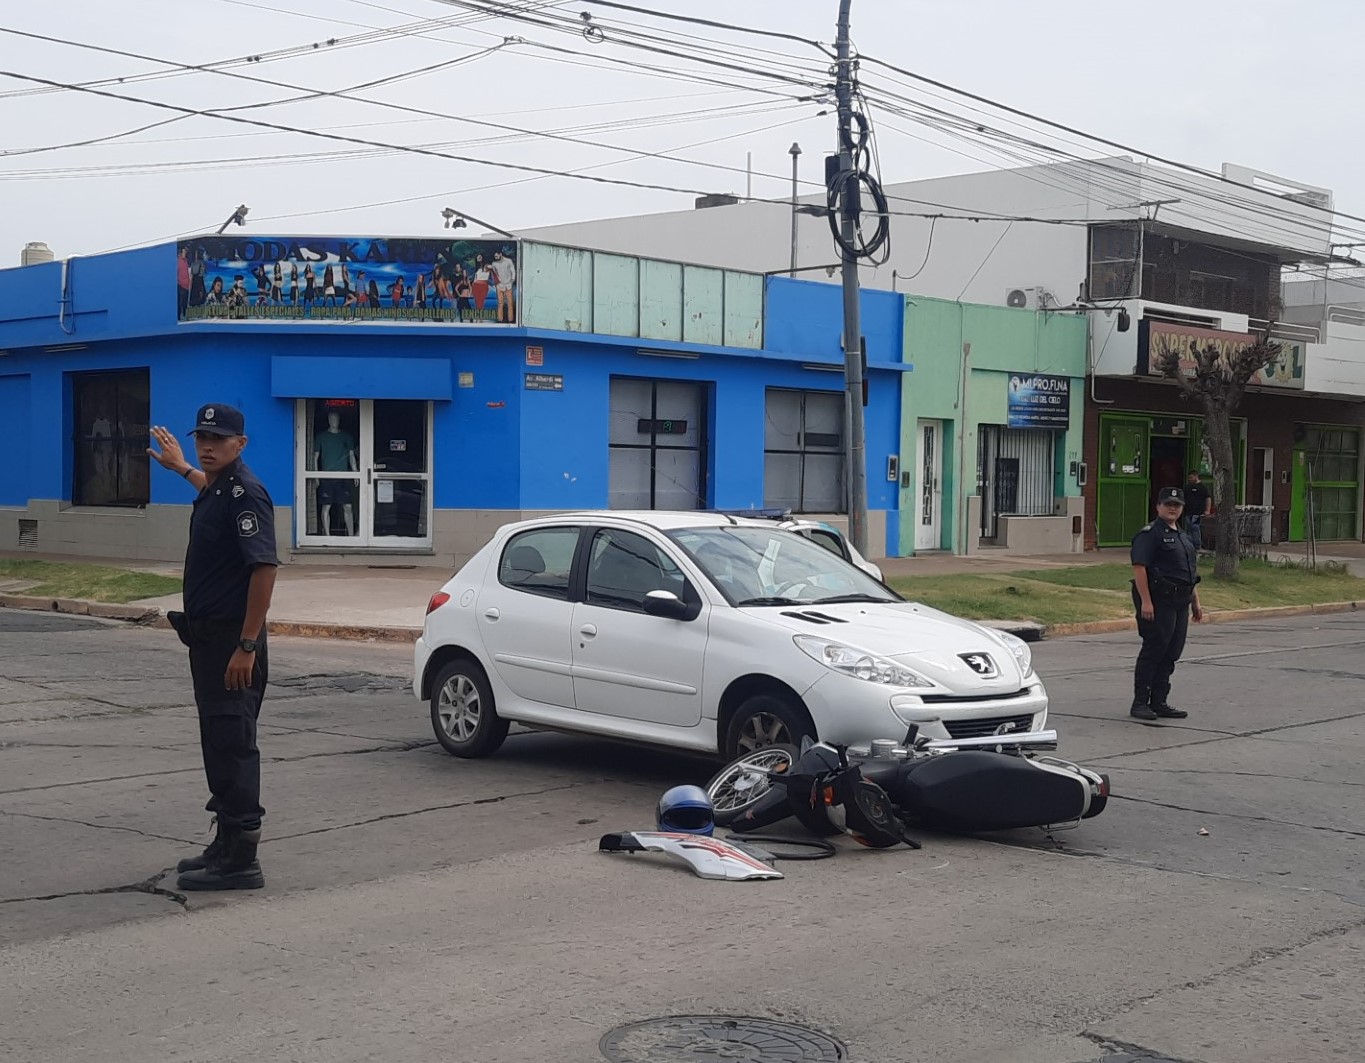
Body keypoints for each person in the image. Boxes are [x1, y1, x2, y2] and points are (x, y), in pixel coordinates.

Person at [146, 405, 278, 890]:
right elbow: (211, 491)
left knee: (233, 742)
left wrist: (246, 644)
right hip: (209, 641)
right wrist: (180, 467)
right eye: (202, 435)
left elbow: (264, 569)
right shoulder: (221, 487)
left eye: (218, 438)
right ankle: (224, 844)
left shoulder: (247, 493)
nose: (208, 444)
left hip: (231, 642)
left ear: (239, 444)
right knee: (217, 743)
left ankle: (242, 859)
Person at [1129, 486, 1204, 723]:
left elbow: (1189, 572)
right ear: (1158, 506)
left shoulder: (1183, 536)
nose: (1173, 508)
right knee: (1155, 649)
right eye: (1168, 504)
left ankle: (1159, 701)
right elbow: (1140, 568)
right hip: (1159, 601)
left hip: (1180, 601)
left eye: (1177, 505)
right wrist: (1146, 602)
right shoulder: (1150, 534)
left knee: (1172, 651)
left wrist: (1196, 601)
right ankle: (1140, 702)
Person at [313, 409, 357, 535]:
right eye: (332, 418)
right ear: (328, 420)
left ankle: (351, 535)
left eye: (336, 418)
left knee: (347, 506)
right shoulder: (321, 437)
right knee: (326, 506)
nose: (334, 421)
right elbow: (315, 457)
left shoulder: (346, 437)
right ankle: (327, 535)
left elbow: (351, 456)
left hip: (343, 477)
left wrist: (355, 473)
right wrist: (316, 476)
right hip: (327, 478)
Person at [1184, 470, 1213, 551]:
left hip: (1197, 513)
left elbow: (1208, 498)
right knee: (1189, 529)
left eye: (1191, 477)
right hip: (1188, 512)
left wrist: (1207, 510)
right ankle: (1190, 546)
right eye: (1189, 478)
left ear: (1196, 476)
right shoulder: (1187, 487)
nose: (1190, 479)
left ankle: (1197, 546)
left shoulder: (1202, 487)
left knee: (1195, 528)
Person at [491, 249, 517, 323]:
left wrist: (512, 280)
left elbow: (513, 271)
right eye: (494, 256)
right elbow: (494, 274)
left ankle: (510, 320)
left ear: (500, 254)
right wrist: (496, 283)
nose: (495, 257)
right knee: (500, 303)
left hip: (508, 285)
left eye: (496, 256)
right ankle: (500, 319)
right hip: (499, 286)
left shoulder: (508, 261)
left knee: (510, 303)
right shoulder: (494, 263)